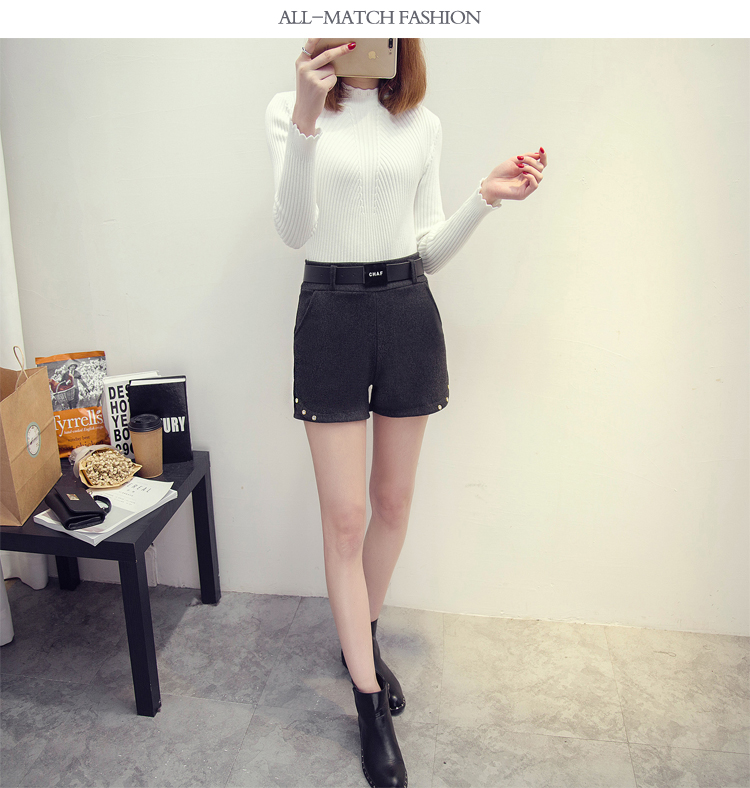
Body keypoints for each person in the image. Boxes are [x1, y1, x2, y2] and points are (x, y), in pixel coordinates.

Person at [265, 38, 547, 788]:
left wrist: (485, 197)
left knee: (391, 502)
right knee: (345, 519)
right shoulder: (289, 110)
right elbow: (293, 231)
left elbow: (427, 250)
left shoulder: (421, 123)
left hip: (406, 309)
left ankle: (362, 637)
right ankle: (368, 705)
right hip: (329, 311)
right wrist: (305, 116)